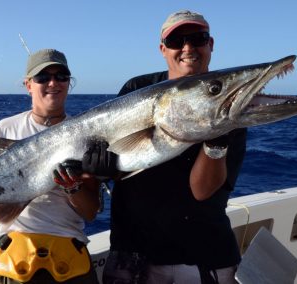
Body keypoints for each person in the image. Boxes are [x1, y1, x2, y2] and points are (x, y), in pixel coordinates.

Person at [0, 49, 115, 284]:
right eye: (42, 77)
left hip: (70, 256)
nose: (53, 83)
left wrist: (73, 188)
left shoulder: (87, 132)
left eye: (61, 76)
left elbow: (90, 212)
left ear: (69, 83)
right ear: (28, 84)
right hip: (11, 259)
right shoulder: (6, 128)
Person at [102, 10, 247, 284]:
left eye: (197, 39)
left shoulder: (231, 107)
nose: (188, 48)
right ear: (163, 49)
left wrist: (217, 135)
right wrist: (98, 167)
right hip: (133, 255)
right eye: (177, 41)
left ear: (211, 44)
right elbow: (117, 168)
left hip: (205, 258)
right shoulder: (137, 88)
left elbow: (202, 190)